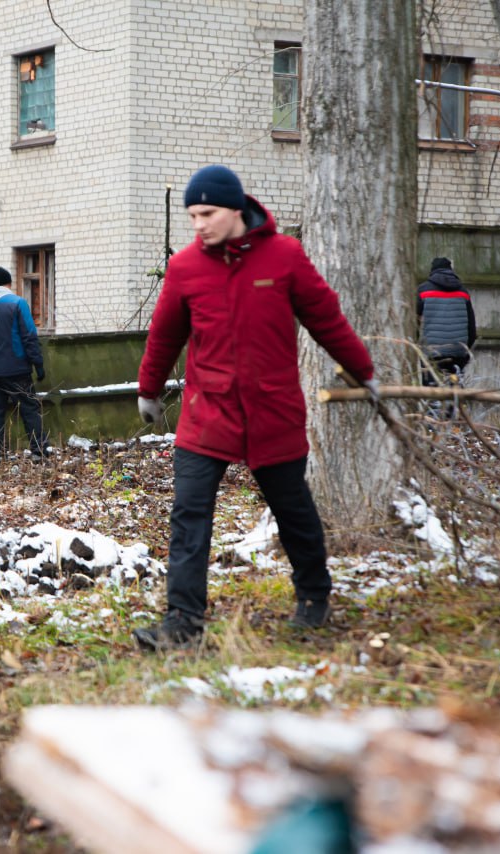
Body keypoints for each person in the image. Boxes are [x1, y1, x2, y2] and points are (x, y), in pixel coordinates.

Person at [133, 165, 378, 650]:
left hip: (273, 412)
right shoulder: (185, 268)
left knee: (294, 511)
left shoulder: (283, 257)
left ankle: (314, 597)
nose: (198, 224)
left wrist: (362, 370)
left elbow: (325, 318)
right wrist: (149, 389)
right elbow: (164, 335)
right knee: (189, 514)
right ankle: (183, 622)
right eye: (192, 215)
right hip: (208, 414)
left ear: (235, 209)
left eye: (207, 213)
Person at [0, 266, 48, 459]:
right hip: (17, 369)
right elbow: (29, 335)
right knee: (29, 408)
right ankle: (38, 450)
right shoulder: (18, 303)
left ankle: (0, 452)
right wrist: (37, 364)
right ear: (9, 284)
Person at [417, 257, 475, 418]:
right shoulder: (463, 292)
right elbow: (471, 327)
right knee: (454, 387)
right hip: (458, 349)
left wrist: (418, 346)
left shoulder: (423, 290)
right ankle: (452, 421)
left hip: (432, 350)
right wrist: (465, 350)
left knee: (431, 387)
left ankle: (432, 421)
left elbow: (414, 321)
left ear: (432, 270)